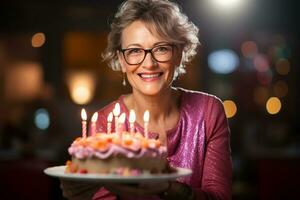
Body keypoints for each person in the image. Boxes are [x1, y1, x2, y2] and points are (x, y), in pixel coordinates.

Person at [61, 0, 232, 199]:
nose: (149, 63)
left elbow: (220, 197)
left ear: (178, 54)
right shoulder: (104, 123)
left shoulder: (209, 111)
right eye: (134, 51)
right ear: (122, 61)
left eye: (161, 49)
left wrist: (168, 187)